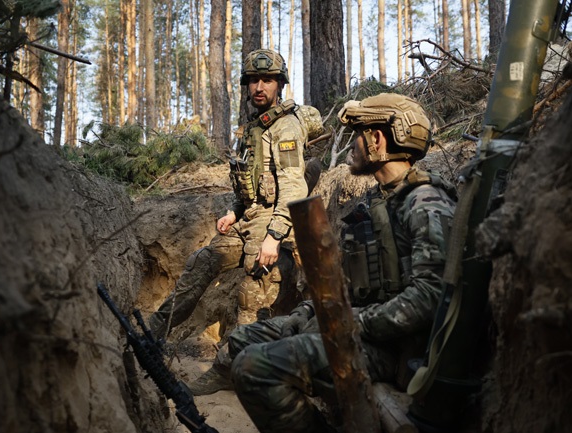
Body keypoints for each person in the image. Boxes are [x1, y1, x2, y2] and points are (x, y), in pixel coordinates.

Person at [190, 93, 458, 431]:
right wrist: (307, 314)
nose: (351, 145)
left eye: (358, 135)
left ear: (377, 140)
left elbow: (430, 298)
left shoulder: (425, 203)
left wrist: (350, 323)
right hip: (360, 328)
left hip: (394, 349)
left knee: (253, 368)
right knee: (245, 338)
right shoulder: (378, 199)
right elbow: (351, 286)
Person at [148, 49, 313, 354]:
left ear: (280, 84)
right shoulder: (253, 129)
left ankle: (239, 364)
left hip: (276, 219)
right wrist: (234, 213)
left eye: (267, 80)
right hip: (250, 217)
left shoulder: (286, 127)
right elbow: (249, 185)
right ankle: (150, 336)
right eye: (253, 80)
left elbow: (293, 187)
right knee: (203, 261)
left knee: (254, 282)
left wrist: (274, 237)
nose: (259, 87)